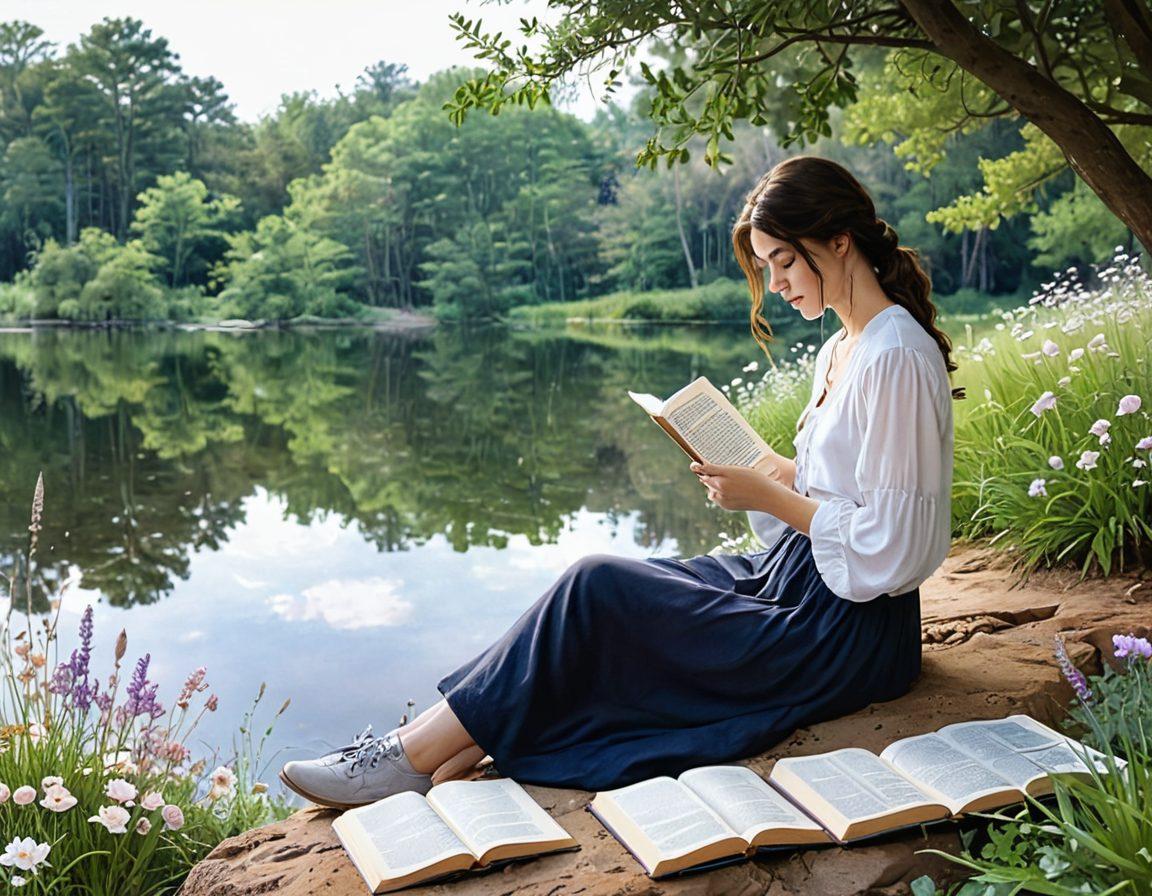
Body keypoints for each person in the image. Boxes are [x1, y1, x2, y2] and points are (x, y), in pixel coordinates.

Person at [278, 156, 963, 810]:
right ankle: (434, 743)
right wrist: (756, 467)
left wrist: (768, 496)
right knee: (621, 595)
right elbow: (836, 489)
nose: (777, 283)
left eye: (785, 261)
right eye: (767, 267)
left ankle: (407, 757)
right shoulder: (843, 346)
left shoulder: (895, 355)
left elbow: (897, 545)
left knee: (598, 585)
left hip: (842, 628)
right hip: (798, 579)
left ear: (839, 241)